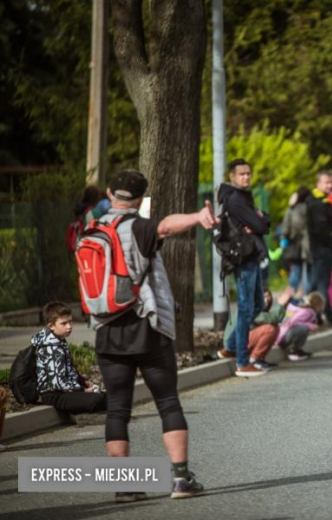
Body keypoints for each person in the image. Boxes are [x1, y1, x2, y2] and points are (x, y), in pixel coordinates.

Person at [90, 169, 216, 501]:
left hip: (106, 331)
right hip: (147, 329)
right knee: (167, 401)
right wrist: (198, 216)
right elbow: (165, 226)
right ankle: (179, 479)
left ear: (109, 192)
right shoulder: (140, 227)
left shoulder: (92, 229)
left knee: (117, 409)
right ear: (142, 199)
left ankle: (123, 485)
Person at [217, 158, 271, 376]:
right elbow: (260, 224)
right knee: (246, 307)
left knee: (257, 305)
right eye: (242, 174)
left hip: (252, 255)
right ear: (232, 176)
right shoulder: (235, 199)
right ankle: (241, 362)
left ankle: (230, 347)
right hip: (243, 257)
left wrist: (260, 221)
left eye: (248, 173)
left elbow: (262, 222)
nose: (246, 177)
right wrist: (259, 221)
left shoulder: (243, 197)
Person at [35, 302, 106, 415]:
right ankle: (82, 416)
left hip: (66, 391)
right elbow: (58, 383)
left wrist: (85, 383)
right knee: (98, 399)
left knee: (105, 396)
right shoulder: (52, 348)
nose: (69, 326)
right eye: (64, 323)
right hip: (55, 395)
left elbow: (69, 370)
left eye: (70, 321)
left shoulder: (59, 341)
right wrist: (83, 390)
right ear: (51, 326)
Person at [305, 171, 332, 327]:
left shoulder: (322, 201)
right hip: (322, 249)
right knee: (321, 284)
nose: (330, 185)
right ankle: (320, 315)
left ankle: (321, 315)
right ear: (318, 184)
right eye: (326, 183)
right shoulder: (318, 202)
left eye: (331, 182)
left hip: (322, 248)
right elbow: (321, 229)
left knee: (318, 283)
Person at [278, 292, 326, 361]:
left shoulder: (303, 310)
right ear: (318, 306)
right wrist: (310, 325)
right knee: (302, 329)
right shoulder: (306, 312)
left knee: (304, 329)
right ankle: (293, 351)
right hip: (284, 336)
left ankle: (297, 349)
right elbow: (293, 321)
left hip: (283, 334)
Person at [281, 186, 311, 296]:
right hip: (309, 245)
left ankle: (290, 295)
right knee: (309, 272)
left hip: (295, 244)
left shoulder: (292, 209)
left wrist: (284, 239)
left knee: (295, 271)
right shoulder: (310, 208)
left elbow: (286, 228)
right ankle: (308, 296)